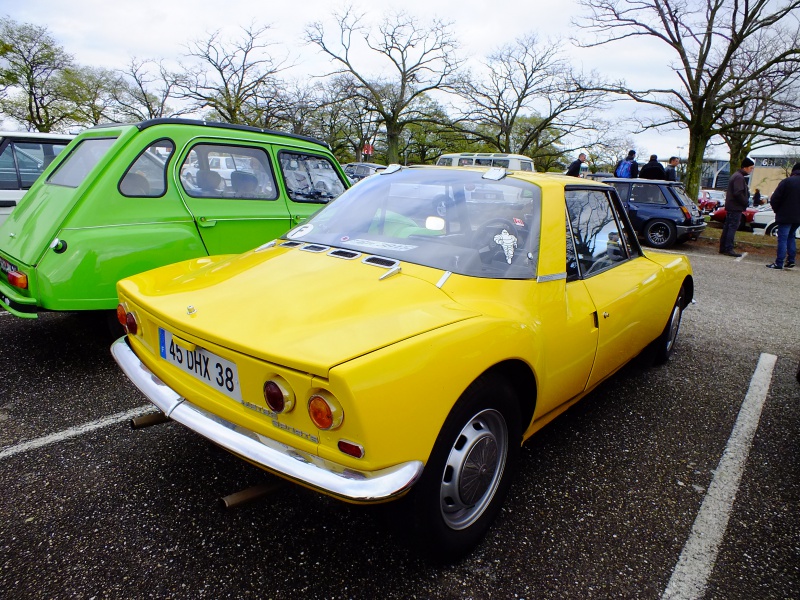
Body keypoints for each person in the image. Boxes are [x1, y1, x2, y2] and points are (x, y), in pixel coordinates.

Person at [765, 163, 800, 269]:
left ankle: (779, 262)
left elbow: (775, 198)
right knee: (791, 236)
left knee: (783, 238)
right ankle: (791, 260)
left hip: (785, 215)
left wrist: (777, 210)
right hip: (798, 217)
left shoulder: (787, 182)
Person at [720, 157, 755, 257]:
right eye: (751, 168)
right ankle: (728, 248)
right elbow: (738, 193)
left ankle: (724, 247)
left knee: (728, 227)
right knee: (732, 227)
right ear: (745, 167)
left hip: (732, 206)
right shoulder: (739, 177)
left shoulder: (736, 176)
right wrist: (745, 202)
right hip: (735, 207)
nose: (751, 170)